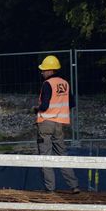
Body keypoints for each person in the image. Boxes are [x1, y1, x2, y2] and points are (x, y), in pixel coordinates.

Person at [33, 55, 79, 194]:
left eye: (44, 70)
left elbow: (45, 106)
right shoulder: (65, 83)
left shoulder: (47, 84)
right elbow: (71, 103)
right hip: (59, 125)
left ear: (50, 70)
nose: (42, 72)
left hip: (46, 124)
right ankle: (74, 185)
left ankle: (50, 189)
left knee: (45, 156)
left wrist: (36, 109)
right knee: (62, 155)